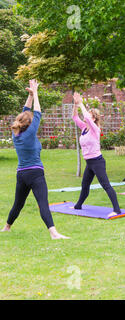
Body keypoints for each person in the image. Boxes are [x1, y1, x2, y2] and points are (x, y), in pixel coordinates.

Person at [1, 80, 69, 239]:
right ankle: (53, 233)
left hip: (22, 175)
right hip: (35, 174)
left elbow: (25, 112)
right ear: (29, 124)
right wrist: (36, 93)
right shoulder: (30, 133)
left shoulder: (16, 134)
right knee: (42, 204)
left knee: (18, 204)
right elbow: (37, 112)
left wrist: (30, 96)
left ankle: (6, 227)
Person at [72, 91, 122, 217]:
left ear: (93, 118)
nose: (86, 116)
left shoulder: (95, 129)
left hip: (97, 162)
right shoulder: (84, 128)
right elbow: (75, 117)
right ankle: (78, 205)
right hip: (89, 163)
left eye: (89, 115)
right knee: (85, 186)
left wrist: (82, 104)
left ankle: (117, 209)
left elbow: (87, 117)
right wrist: (75, 104)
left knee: (105, 185)